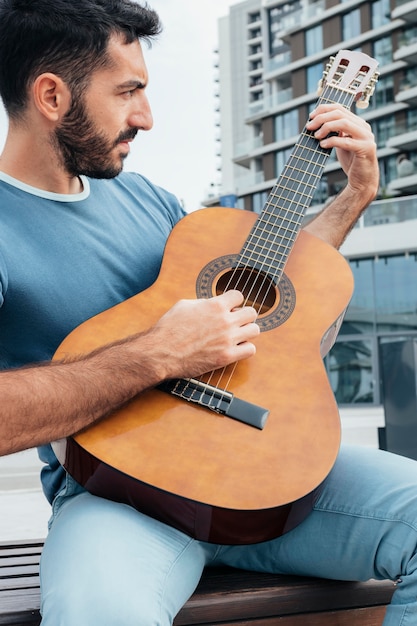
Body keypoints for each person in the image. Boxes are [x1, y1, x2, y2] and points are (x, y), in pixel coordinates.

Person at [0, 1, 416, 625]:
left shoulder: (151, 202)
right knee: (100, 612)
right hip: (118, 500)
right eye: (128, 92)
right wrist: (156, 354)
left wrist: (351, 200)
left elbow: (273, 313)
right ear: (53, 96)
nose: (146, 116)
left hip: (269, 486)